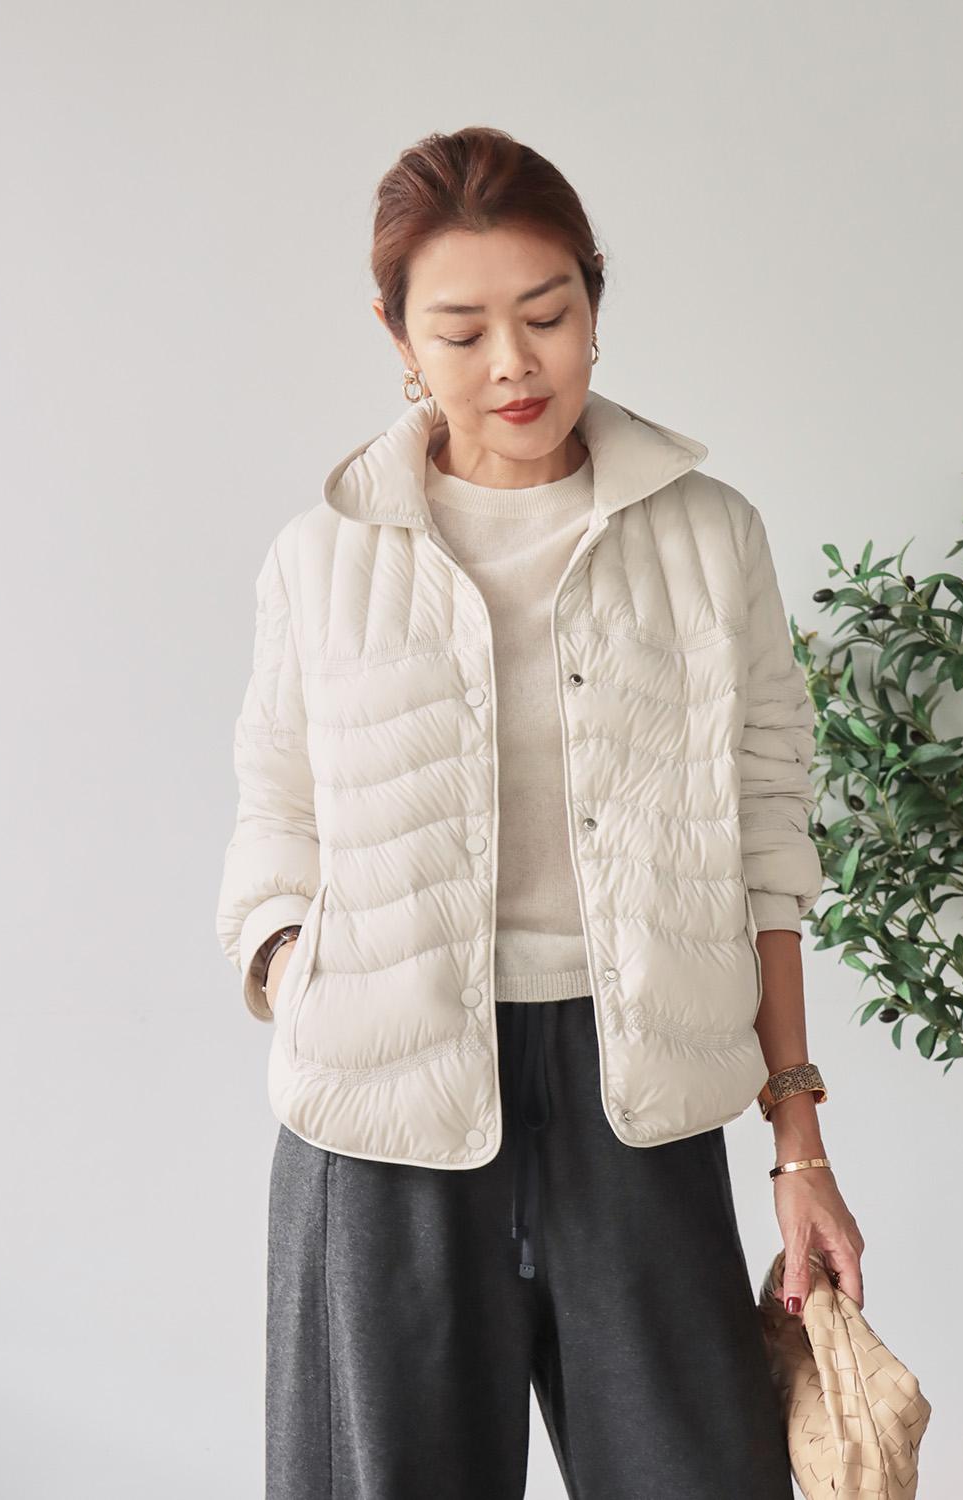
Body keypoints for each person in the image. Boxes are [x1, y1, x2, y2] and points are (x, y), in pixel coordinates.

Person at [216, 125, 865, 1500]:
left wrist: (796, 1140)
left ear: (595, 299)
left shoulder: (709, 536)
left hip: (638, 1104)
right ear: (397, 335)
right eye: (461, 332)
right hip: (382, 1112)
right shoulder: (321, 555)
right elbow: (274, 810)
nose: (513, 364)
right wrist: (295, 966)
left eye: (548, 315)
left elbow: (765, 829)